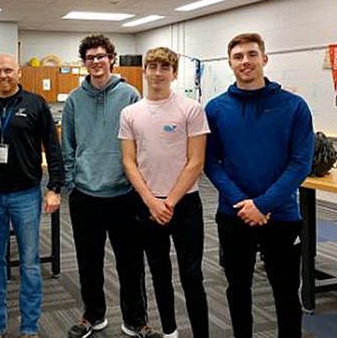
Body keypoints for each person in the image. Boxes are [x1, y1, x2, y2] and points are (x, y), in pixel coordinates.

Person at [204, 33, 314, 338]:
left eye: (252, 54)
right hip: (234, 215)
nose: (245, 62)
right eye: (238, 57)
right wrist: (244, 203)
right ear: (230, 63)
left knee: (285, 293)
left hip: (281, 217)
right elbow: (211, 162)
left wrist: (263, 204)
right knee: (237, 289)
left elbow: (300, 163)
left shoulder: (293, 106)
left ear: (264, 59)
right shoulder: (215, 109)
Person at [62, 34, 162, 338]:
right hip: (86, 195)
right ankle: (93, 316)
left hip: (124, 195)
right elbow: (67, 145)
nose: (96, 62)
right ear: (84, 63)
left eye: (101, 56)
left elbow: (141, 144)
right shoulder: (74, 100)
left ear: (111, 59)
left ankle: (135, 320)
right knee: (88, 262)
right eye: (90, 58)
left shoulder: (130, 95)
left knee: (130, 263)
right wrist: (71, 183)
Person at [0, 53, 64, 338]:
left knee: (30, 265)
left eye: (8, 70)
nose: (3, 75)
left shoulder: (35, 104)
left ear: (18, 72)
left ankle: (29, 327)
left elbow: (52, 147)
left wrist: (55, 187)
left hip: (26, 194)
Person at [119, 47, 210, 338]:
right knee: (159, 273)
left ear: (174, 73)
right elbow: (128, 161)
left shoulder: (190, 109)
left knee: (192, 275)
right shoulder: (131, 112)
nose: (158, 73)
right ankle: (169, 331)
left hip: (184, 205)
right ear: (144, 70)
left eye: (164, 67)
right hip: (147, 205)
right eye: (152, 66)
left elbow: (196, 161)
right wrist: (151, 201)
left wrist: (168, 202)